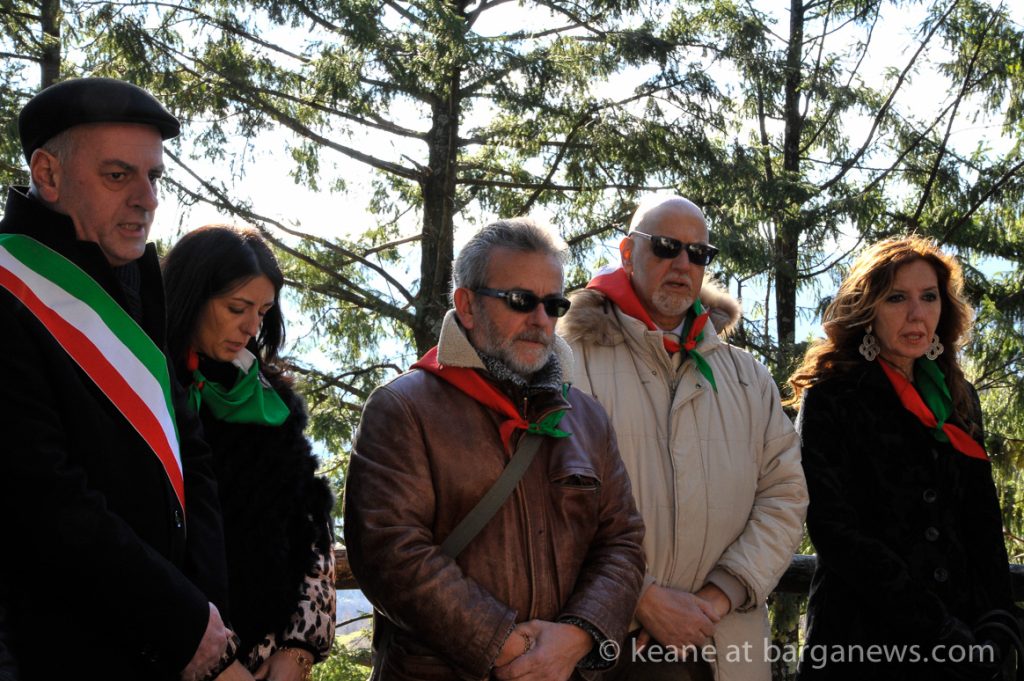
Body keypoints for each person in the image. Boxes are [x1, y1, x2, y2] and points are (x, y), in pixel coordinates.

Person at [344, 217, 646, 681]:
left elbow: (622, 542)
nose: (540, 320)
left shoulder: (587, 417)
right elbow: (389, 551)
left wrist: (578, 636)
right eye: (520, 300)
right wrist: (504, 644)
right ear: (466, 305)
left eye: (553, 304)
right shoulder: (402, 408)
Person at [0, 78, 232, 680]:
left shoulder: (132, 281)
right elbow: (40, 495)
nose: (147, 199)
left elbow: (190, 454)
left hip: (159, 645)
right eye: (117, 175)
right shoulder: (9, 287)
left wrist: (205, 611)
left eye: (154, 177)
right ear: (48, 175)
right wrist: (180, 620)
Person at [557, 195, 808, 681]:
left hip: (726, 647)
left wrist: (716, 599)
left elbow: (785, 495)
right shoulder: (569, 360)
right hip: (603, 644)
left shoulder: (749, 378)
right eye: (666, 247)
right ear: (627, 253)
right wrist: (641, 597)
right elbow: (548, 499)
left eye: (698, 253)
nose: (682, 264)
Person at [788, 236, 1016, 680]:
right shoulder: (833, 395)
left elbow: (982, 519)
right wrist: (934, 625)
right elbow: (833, 529)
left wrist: (998, 621)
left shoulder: (959, 397)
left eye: (929, 297)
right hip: (861, 644)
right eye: (897, 298)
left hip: (962, 648)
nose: (917, 314)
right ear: (867, 310)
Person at [162, 225, 337, 681]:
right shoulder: (147, 391)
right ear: (192, 295)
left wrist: (300, 646)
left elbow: (312, 521)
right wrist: (213, 661)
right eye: (236, 308)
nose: (251, 326)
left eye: (262, 311)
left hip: (268, 656)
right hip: (174, 653)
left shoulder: (269, 399)